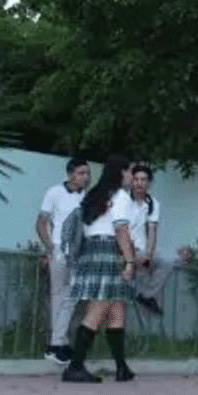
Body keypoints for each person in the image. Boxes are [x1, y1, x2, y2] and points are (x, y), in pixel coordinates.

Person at [61, 155, 138, 383]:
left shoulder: (94, 195)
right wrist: (129, 261)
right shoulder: (121, 197)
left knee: (116, 310)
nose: (132, 177)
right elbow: (121, 230)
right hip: (108, 251)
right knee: (97, 310)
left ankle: (122, 368)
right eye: (130, 172)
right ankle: (75, 367)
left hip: (91, 251)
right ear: (122, 173)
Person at [35, 157, 91, 365]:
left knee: (68, 298)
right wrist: (50, 247)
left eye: (87, 173)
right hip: (60, 250)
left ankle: (57, 344)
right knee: (62, 297)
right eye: (81, 173)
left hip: (78, 253)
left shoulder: (86, 197)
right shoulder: (55, 192)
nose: (85, 177)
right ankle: (58, 343)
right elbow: (41, 222)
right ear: (70, 174)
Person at [128, 164, 171, 316]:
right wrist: (131, 253)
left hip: (142, 251)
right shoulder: (123, 201)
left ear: (149, 183)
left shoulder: (153, 204)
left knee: (165, 264)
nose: (139, 183)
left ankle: (146, 296)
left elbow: (152, 231)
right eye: (136, 179)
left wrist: (148, 253)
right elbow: (120, 231)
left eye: (143, 180)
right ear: (131, 181)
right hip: (124, 249)